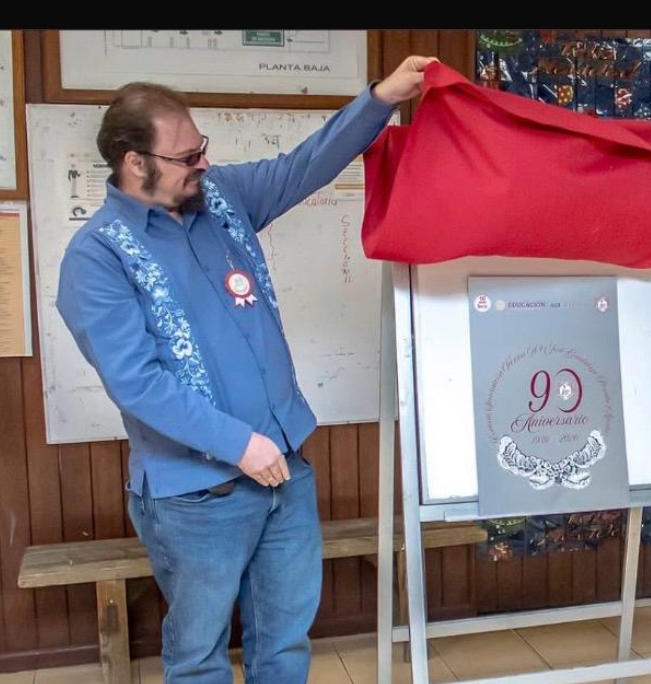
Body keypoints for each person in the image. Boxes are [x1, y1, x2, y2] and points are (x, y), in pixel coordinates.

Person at [57, 55, 435, 683]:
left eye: (201, 147)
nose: (202, 163)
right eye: (185, 156)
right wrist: (239, 444)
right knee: (199, 655)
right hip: (195, 497)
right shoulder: (96, 259)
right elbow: (137, 382)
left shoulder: (222, 199)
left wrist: (383, 97)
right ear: (134, 162)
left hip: (285, 474)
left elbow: (303, 166)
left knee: (284, 642)